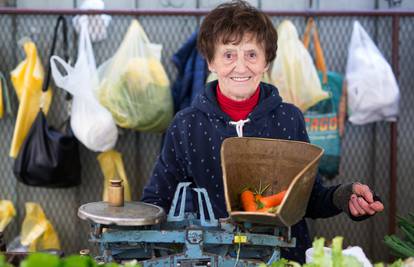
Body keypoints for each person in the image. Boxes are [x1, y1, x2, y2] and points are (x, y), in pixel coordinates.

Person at [142, 0, 384, 263]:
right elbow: (157, 199)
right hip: (211, 258)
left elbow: (307, 198)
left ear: (266, 60)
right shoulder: (186, 125)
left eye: (252, 54)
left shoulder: (288, 118)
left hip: (281, 257)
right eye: (228, 55)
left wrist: (343, 196)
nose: (241, 66)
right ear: (211, 61)